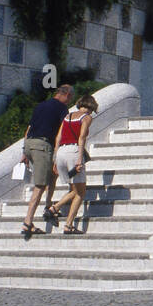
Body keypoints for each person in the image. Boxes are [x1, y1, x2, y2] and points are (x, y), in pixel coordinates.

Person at [20, 83, 73, 237]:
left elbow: (29, 129)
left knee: (52, 175)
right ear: (67, 95)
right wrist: (57, 154)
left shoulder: (41, 106)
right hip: (42, 146)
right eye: (70, 98)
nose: (70, 101)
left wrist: (24, 152)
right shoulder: (62, 109)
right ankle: (27, 222)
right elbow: (61, 132)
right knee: (40, 185)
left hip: (30, 144)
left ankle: (48, 205)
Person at [47, 95, 98, 234]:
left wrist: (55, 158)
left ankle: (58, 213)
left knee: (74, 189)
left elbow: (58, 137)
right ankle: (59, 214)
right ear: (91, 107)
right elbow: (81, 138)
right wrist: (79, 159)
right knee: (80, 192)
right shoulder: (86, 117)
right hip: (73, 152)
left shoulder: (67, 116)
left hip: (61, 152)